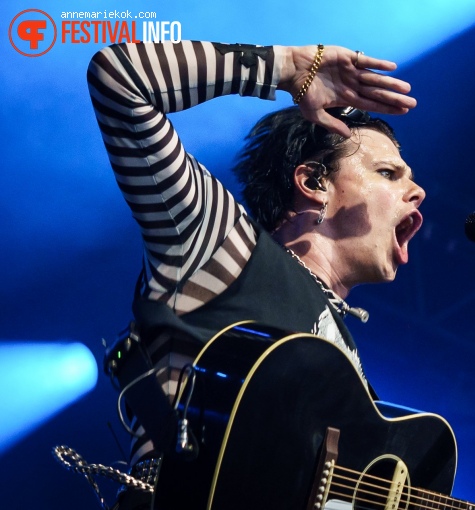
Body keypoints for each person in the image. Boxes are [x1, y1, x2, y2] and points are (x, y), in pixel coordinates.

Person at [87, 39, 424, 509]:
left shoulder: (353, 379)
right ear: (312, 183)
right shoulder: (222, 242)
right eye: (389, 173)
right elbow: (119, 77)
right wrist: (285, 67)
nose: (419, 191)